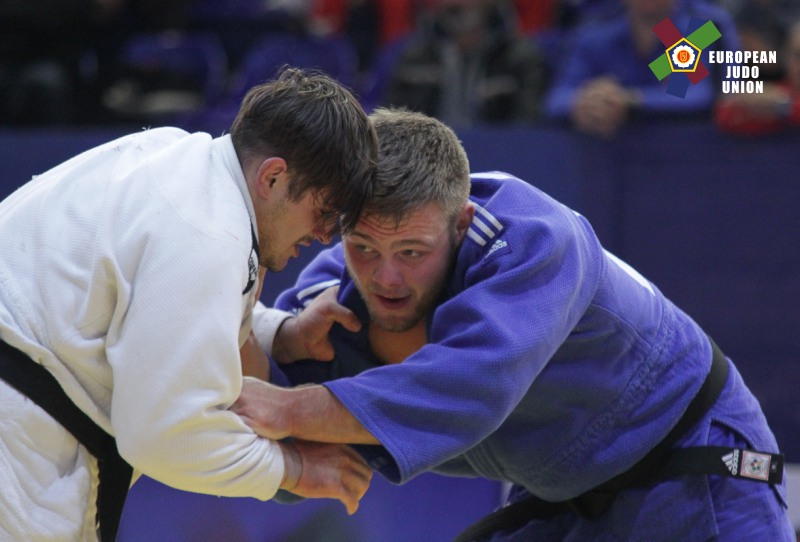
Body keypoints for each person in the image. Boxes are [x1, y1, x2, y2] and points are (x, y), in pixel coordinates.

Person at [233, 108, 794, 541]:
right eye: (363, 246)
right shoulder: (331, 297)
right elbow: (280, 433)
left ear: (462, 223)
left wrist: (288, 408)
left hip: (692, 458)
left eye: (411, 251)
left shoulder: (536, 241)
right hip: (563, 492)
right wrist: (261, 333)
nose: (387, 277)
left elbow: (467, 389)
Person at [0, 67, 377, 541]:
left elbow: (161, 302)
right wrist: (293, 468)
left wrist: (279, 332)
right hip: (15, 443)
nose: (325, 235)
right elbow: (165, 437)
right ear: (274, 177)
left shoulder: (182, 159)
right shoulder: (209, 232)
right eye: (324, 211)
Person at [544, 0, 740, 138]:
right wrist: (586, 103)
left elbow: (694, 95)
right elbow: (556, 99)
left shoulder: (700, 25)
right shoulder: (595, 30)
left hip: (687, 156)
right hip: (606, 159)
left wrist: (630, 101)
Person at [380, 0, 547, 127]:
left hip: (500, 155)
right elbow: (393, 123)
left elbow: (527, 127)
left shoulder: (519, 57)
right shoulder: (414, 56)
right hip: (426, 160)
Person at [714, 18, 800, 135]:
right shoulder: (774, 94)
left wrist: (785, 107)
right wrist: (745, 103)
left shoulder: (779, 100)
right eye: (798, 56)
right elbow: (725, 115)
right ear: (785, 57)